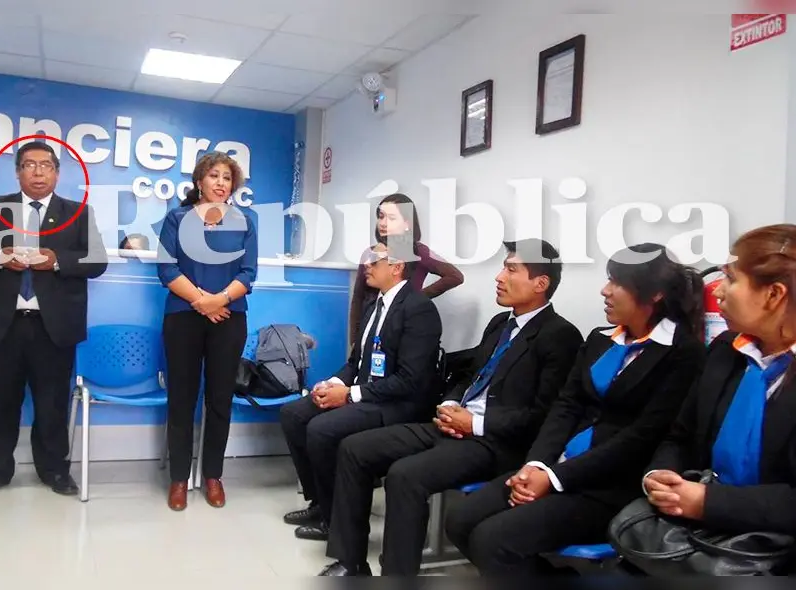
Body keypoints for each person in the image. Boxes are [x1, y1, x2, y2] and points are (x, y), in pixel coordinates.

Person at [317, 239, 582, 576]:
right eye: (503, 267)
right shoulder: (500, 324)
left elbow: (543, 416)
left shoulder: (560, 337)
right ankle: (351, 561)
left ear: (540, 284)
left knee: (404, 475)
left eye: (511, 270)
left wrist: (475, 424)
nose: (499, 277)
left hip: (497, 442)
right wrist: (452, 402)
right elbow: (471, 375)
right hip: (453, 425)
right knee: (355, 448)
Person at [444, 243, 707, 575]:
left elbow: (641, 437)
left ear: (653, 295)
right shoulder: (600, 338)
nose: (605, 290)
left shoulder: (683, 354)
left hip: (610, 484)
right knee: (460, 520)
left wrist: (554, 479)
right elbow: (565, 406)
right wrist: (537, 464)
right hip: (556, 463)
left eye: (617, 283)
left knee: (492, 539)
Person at [0, 140, 107, 500]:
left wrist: (55, 260)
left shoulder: (79, 212)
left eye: (46, 165)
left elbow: (97, 261)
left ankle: (54, 470)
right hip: (0, 325)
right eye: (29, 165)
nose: (38, 172)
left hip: (53, 327)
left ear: (56, 172)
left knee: (52, 404)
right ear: (18, 171)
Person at [279, 239, 443, 543]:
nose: (367, 266)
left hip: (398, 405)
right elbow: (356, 362)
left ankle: (335, 519)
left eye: (375, 261)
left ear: (396, 268)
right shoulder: (373, 305)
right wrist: (334, 384)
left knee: (322, 429)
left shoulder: (419, 310)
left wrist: (350, 395)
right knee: (294, 414)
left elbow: (409, 381)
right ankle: (321, 503)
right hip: (366, 394)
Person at [644, 225, 796, 541]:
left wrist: (705, 502)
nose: (716, 290)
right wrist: (660, 476)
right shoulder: (726, 350)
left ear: (773, 294)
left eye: (731, 279)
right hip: (695, 535)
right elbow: (680, 437)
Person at [157, 151, 257, 511]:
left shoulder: (245, 221)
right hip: (183, 317)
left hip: (230, 319)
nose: (220, 183)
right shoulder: (177, 218)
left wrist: (219, 302)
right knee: (181, 400)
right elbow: (167, 270)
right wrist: (203, 301)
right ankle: (179, 479)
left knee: (219, 400)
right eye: (213, 175)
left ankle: (213, 475)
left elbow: (248, 273)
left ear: (234, 185)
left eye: (226, 178)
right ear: (199, 181)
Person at [348, 193, 462, 348]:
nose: (383, 223)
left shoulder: (418, 251)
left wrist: (418, 297)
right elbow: (358, 298)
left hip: (404, 329)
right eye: (381, 217)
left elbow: (455, 276)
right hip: (371, 328)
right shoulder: (369, 253)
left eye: (392, 218)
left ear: (407, 223)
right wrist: (355, 340)